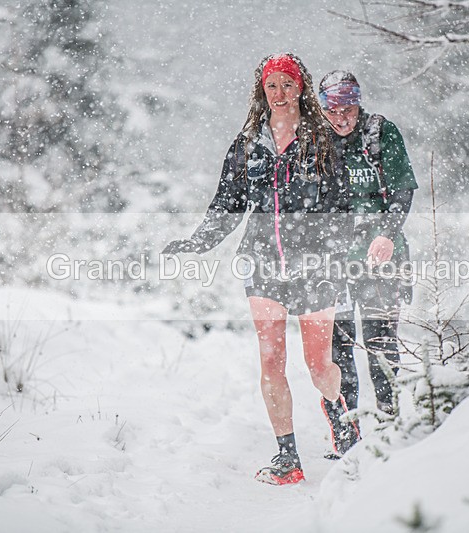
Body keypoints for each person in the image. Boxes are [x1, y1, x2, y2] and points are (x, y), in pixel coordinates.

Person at [162, 54, 360, 486]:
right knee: (271, 361)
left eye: (288, 84)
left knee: (319, 365)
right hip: (263, 263)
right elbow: (227, 203)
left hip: (315, 266)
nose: (280, 93)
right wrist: (197, 242)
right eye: (272, 85)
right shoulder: (248, 143)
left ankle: (346, 425)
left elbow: (342, 207)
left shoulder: (322, 141)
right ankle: (288, 457)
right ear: (262, 91)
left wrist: (336, 254)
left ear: (301, 88)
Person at [318, 70, 418, 418]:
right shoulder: (316, 141)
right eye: (332, 111)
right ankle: (348, 432)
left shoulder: (380, 133)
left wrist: (387, 233)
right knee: (338, 350)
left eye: (348, 110)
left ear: (358, 104)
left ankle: (391, 425)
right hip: (334, 263)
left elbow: (403, 190)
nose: (341, 119)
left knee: (381, 346)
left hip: (380, 257)